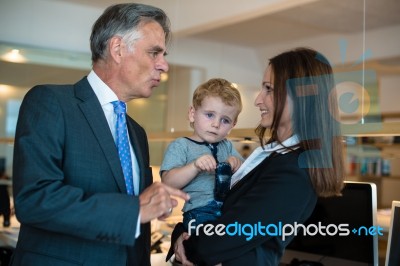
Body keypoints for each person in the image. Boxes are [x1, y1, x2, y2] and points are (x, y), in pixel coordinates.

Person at [11, 3, 189, 266]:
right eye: (154, 53)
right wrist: (135, 209)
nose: (164, 66)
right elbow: (35, 199)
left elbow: (134, 218)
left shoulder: (136, 132)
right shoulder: (50, 102)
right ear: (117, 49)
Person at [167, 47, 345, 266]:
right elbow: (218, 215)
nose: (258, 100)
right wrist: (180, 234)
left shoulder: (294, 170)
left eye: (268, 89)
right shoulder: (273, 156)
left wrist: (184, 243)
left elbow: (223, 238)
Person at [160, 78, 244, 230]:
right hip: (200, 213)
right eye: (210, 115)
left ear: (233, 126)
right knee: (210, 246)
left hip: (229, 210)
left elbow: (248, 174)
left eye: (225, 120)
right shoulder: (181, 145)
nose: (216, 124)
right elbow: (167, 183)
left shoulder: (228, 146)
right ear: (192, 113)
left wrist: (237, 164)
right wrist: (194, 166)